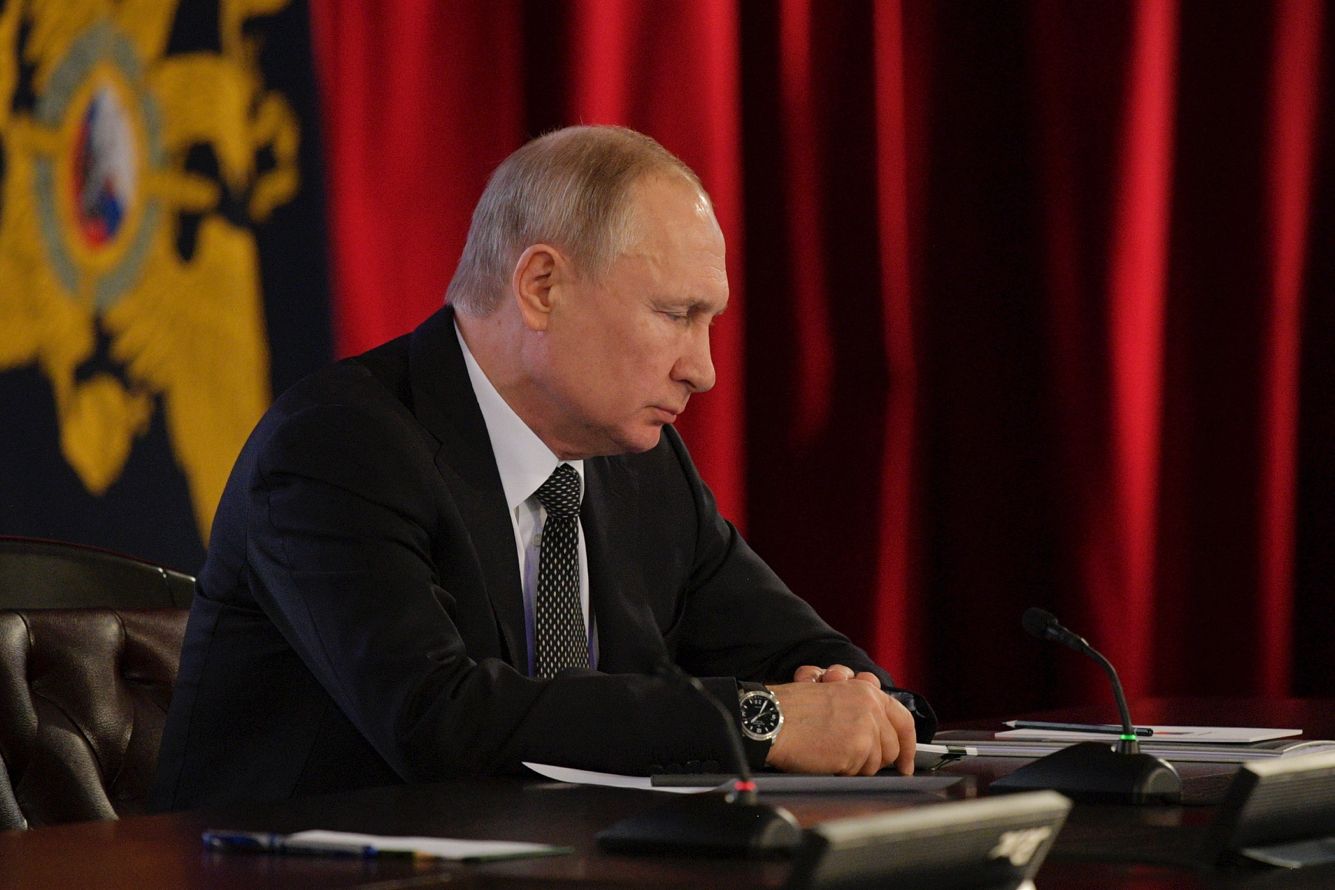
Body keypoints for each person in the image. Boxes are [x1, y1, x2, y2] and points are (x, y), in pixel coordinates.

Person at [152, 125, 935, 810]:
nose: (702, 371)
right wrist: (763, 721)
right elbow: (440, 719)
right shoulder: (338, 446)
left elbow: (802, 655)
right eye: (674, 315)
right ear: (541, 286)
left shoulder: (644, 469)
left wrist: (866, 710)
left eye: (709, 323)